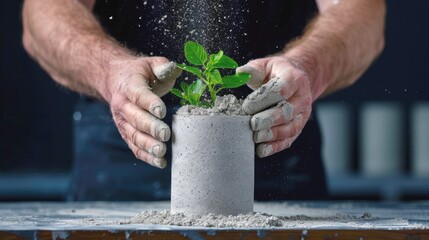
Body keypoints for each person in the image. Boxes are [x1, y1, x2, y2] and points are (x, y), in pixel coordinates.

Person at [22, 0, 385, 201]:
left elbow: (362, 14)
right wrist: (109, 71)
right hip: (119, 173)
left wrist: (308, 66)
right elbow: (44, 13)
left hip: (277, 167)